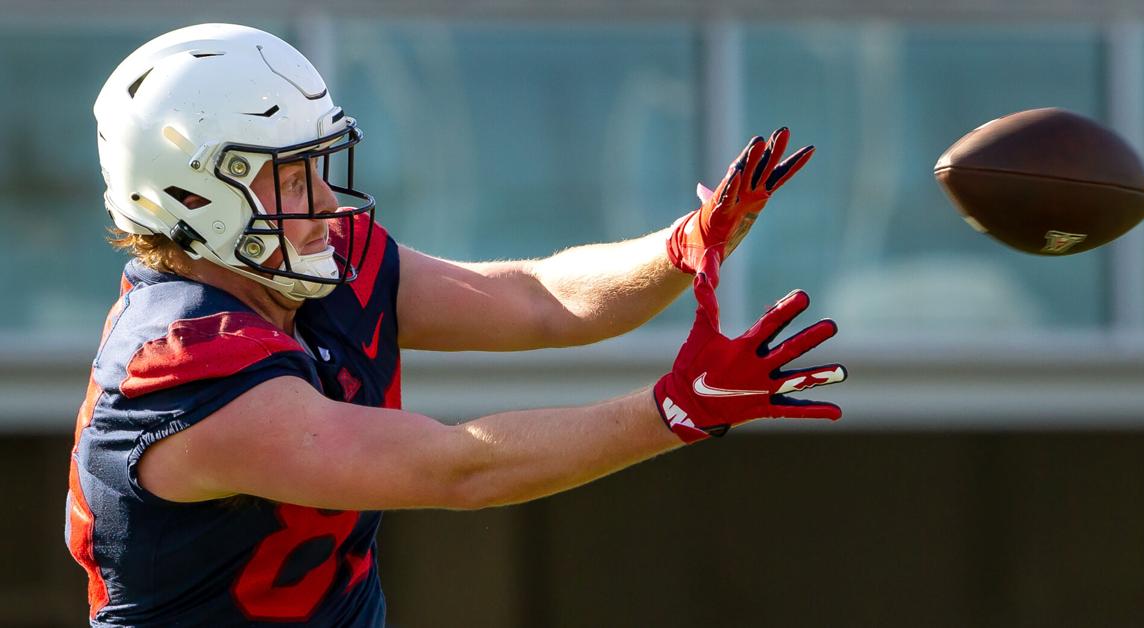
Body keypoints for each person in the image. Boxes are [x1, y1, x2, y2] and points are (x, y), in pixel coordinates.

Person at [66, 23, 847, 626]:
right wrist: (672, 410)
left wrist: (684, 244)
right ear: (194, 197)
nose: (327, 203)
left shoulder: (309, 265)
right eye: (290, 176)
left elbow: (538, 300)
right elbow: (458, 469)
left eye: (317, 165)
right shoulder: (178, 371)